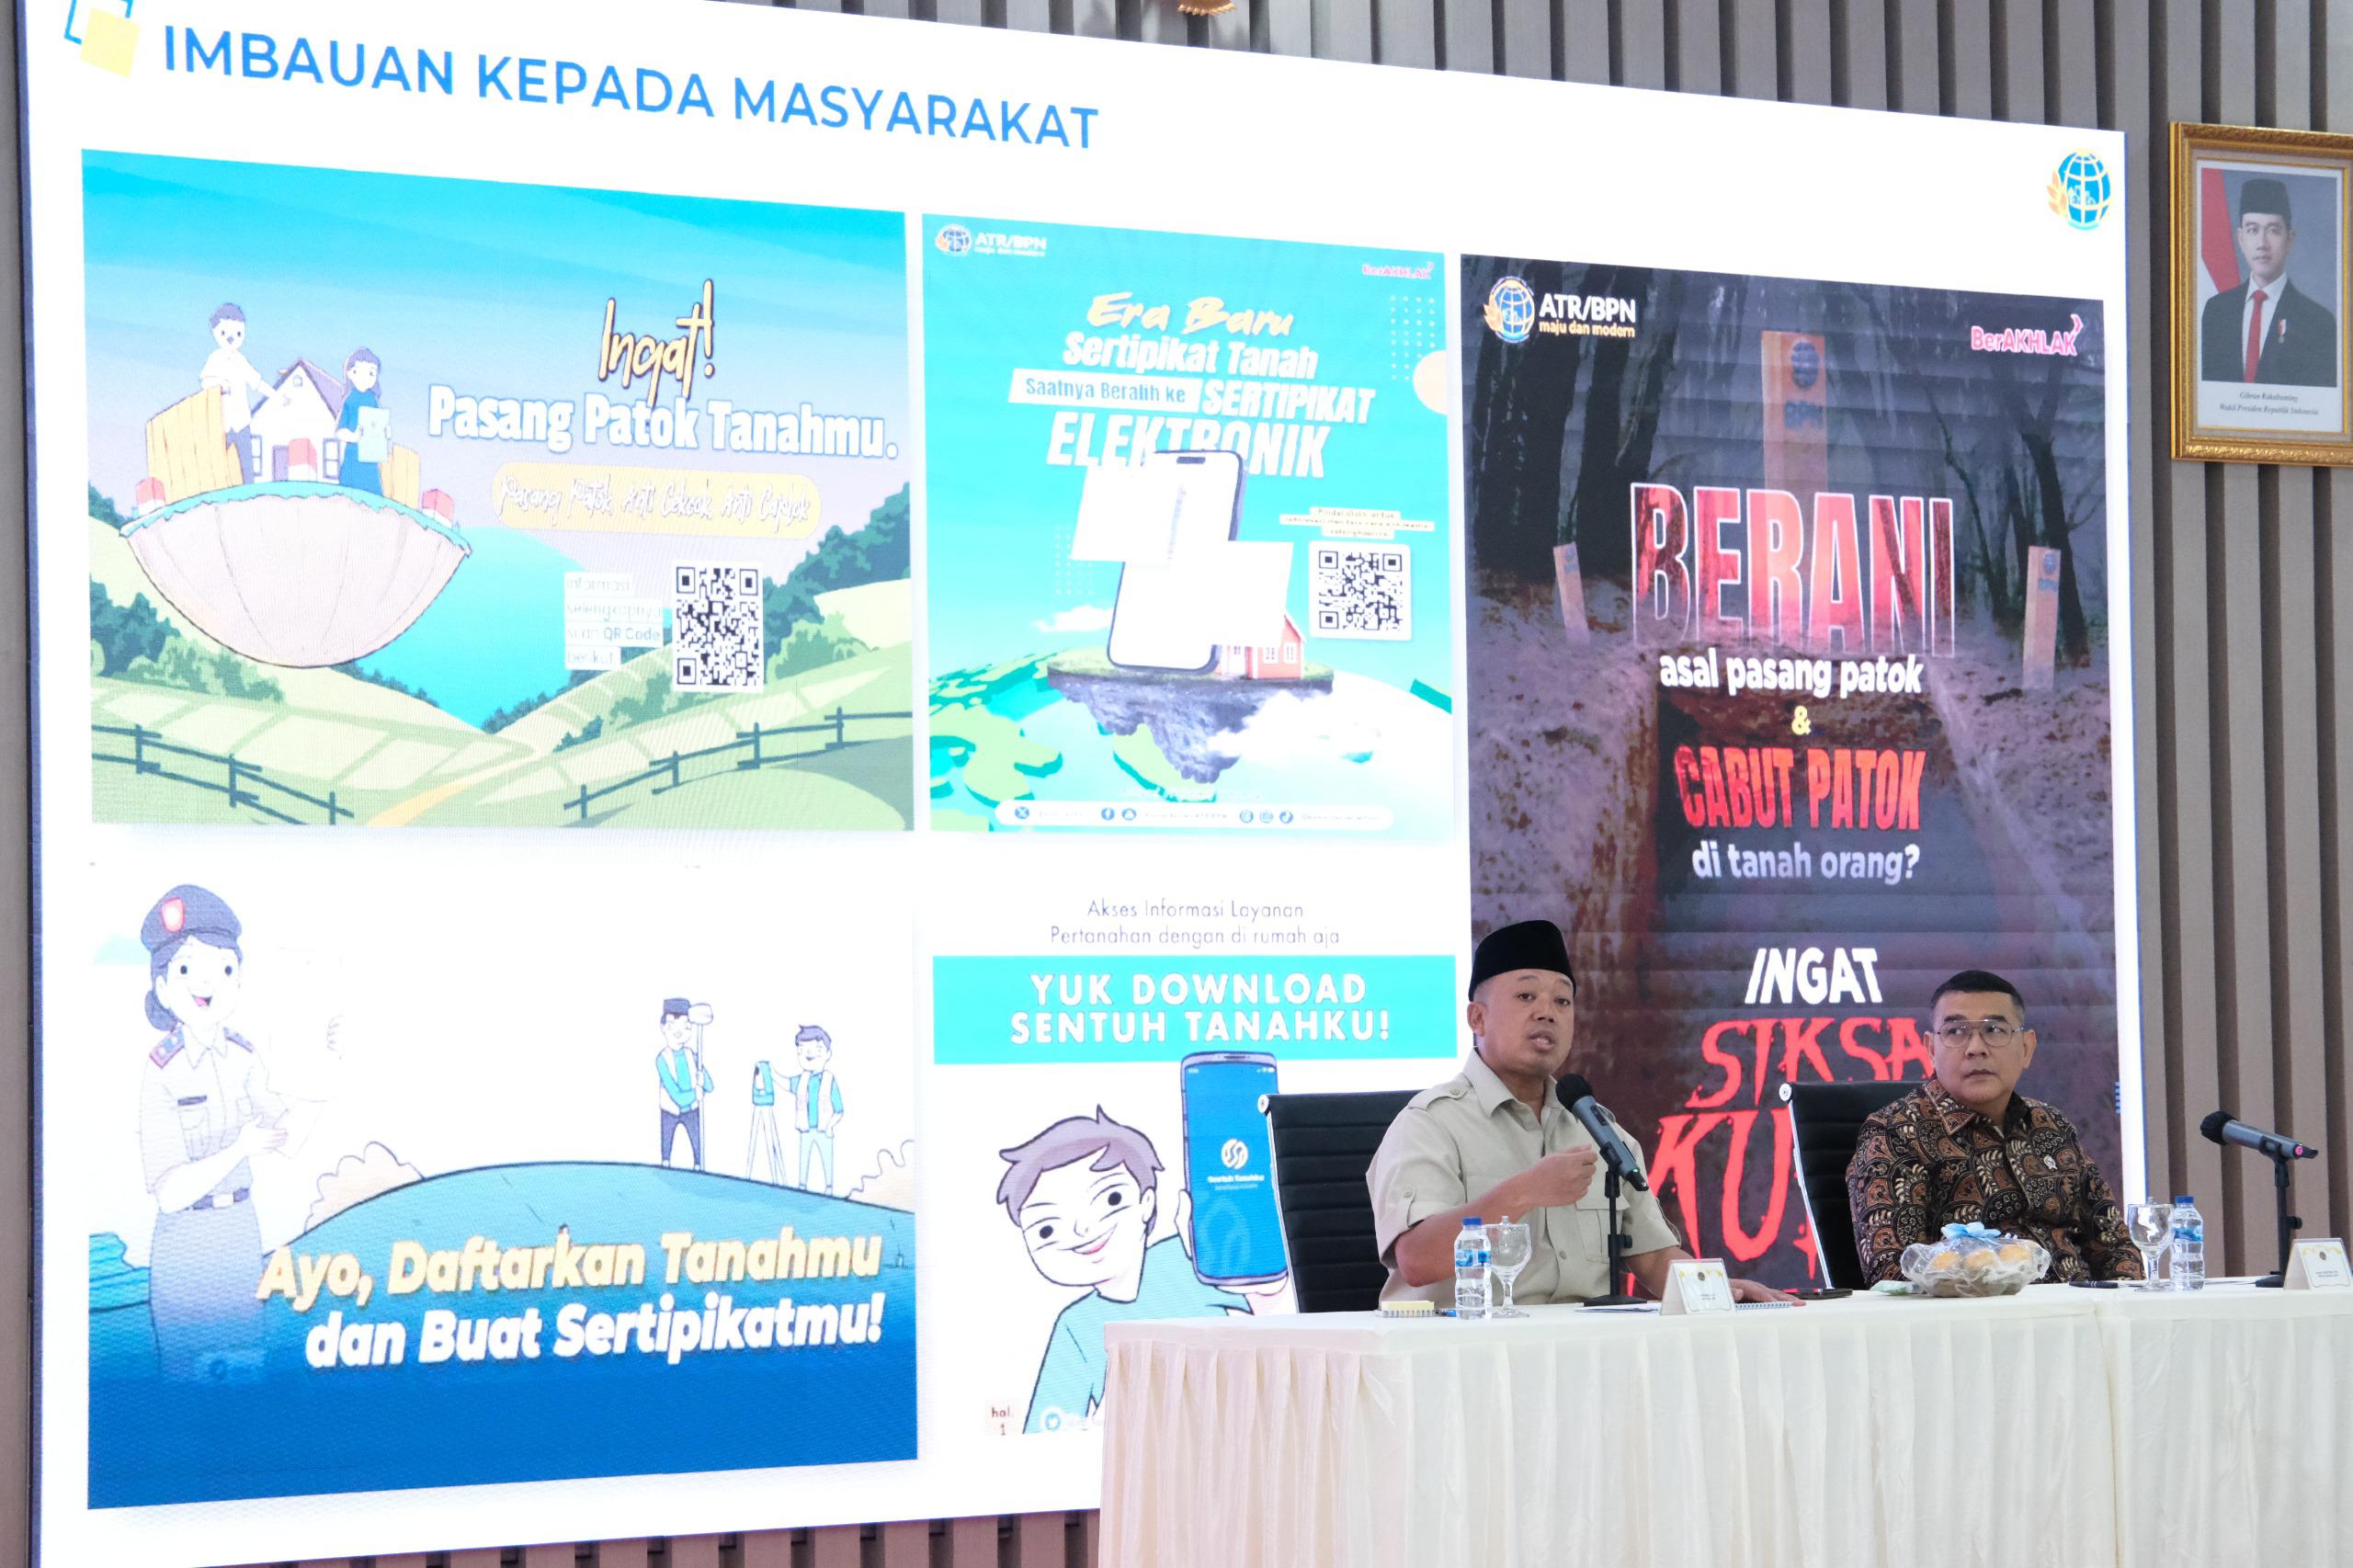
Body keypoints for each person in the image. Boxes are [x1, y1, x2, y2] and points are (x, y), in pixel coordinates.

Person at [1369, 919, 1793, 1305]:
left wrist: (1722, 1289)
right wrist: (1524, 1192)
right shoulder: (1430, 1123)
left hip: (1584, 1350)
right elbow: (1417, 1260)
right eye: (1526, 996)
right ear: (1477, 1018)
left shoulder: (1597, 1129)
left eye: (1562, 1001)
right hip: (1470, 1351)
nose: (1546, 1012)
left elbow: (1653, 1257)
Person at [996, 1108, 1284, 1433]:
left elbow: (1272, 1302)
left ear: (1146, 1203)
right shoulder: (1075, 1327)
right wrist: (1103, 1422)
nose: (1083, 1230)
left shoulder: (1187, 1254)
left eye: (1111, 1198)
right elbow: (1047, 1432)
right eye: (1047, 1229)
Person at [1846, 969, 2141, 1284]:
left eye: (1994, 1030)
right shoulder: (1895, 1133)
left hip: (2078, 1309)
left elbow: (2114, 1245)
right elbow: (1894, 1272)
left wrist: (2125, 1300)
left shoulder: (2052, 1125)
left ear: (2026, 1048)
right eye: (1956, 1031)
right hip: (1975, 1312)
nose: (1976, 1047)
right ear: (1931, 1049)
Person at [137, 884, 324, 1380]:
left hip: (241, 1240)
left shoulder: (244, 1056)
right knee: (187, 1388)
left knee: (246, 1382)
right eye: (187, 970)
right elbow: (170, 1193)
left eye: (223, 969)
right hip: (187, 1248)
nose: (207, 983)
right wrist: (239, 1148)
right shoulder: (162, 1070)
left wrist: (328, 1072)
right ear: (163, 989)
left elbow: (287, 1138)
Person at [2199, 176, 2339, 388]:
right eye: (2253, 230)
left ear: (2290, 239)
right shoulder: (2216, 311)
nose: (2262, 244)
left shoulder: (2318, 323)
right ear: (2240, 238)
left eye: (2273, 230)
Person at [198, 303, 279, 483]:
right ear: (215, 331)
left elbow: (256, 382)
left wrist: (276, 396)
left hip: (241, 419)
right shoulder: (215, 359)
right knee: (220, 461)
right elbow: (205, 381)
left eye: (238, 334)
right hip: (222, 421)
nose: (231, 338)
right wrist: (220, 384)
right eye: (224, 333)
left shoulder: (241, 361)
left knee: (246, 462)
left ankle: (249, 491)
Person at [782, 1024, 846, 1194]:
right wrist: (771, 1073)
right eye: (802, 1050)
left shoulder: (829, 1080)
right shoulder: (802, 1079)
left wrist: (830, 1126)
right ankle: (802, 1187)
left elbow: (839, 1110)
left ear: (827, 1054)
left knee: (826, 1160)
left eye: (817, 1050)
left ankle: (829, 1189)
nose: (809, 1054)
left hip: (824, 1130)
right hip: (806, 1129)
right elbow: (787, 1084)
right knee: (804, 1160)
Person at [654, 998, 713, 1170]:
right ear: (664, 1028)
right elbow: (676, 1096)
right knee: (666, 1148)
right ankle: (666, 1168)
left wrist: (703, 1079)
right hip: (670, 1110)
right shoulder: (662, 1059)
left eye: (685, 1025)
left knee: (697, 1145)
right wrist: (696, 1094)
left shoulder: (691, 1055)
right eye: (672, 1025)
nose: (679, 1031)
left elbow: (710, 1086)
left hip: (692, 1110)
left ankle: (698, 1169)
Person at [335, 347, 387, 494]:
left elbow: (377, 421)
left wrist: (383, 433)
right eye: (361, 372)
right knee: (351, 492)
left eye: (371, 373)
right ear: (351, 373)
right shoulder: (350, 400)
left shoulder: (372, 399)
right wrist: (353, 437)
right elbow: (340, 430)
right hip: (354, 455)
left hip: (370, 454)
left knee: (372, 491)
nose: (367, 378)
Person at [745, 1055, 784, 1183]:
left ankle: (776, 1179)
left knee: (771, 1141)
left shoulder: (766, 1075)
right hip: (760, 1104)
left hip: (766, 1105)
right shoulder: (759, 1077)